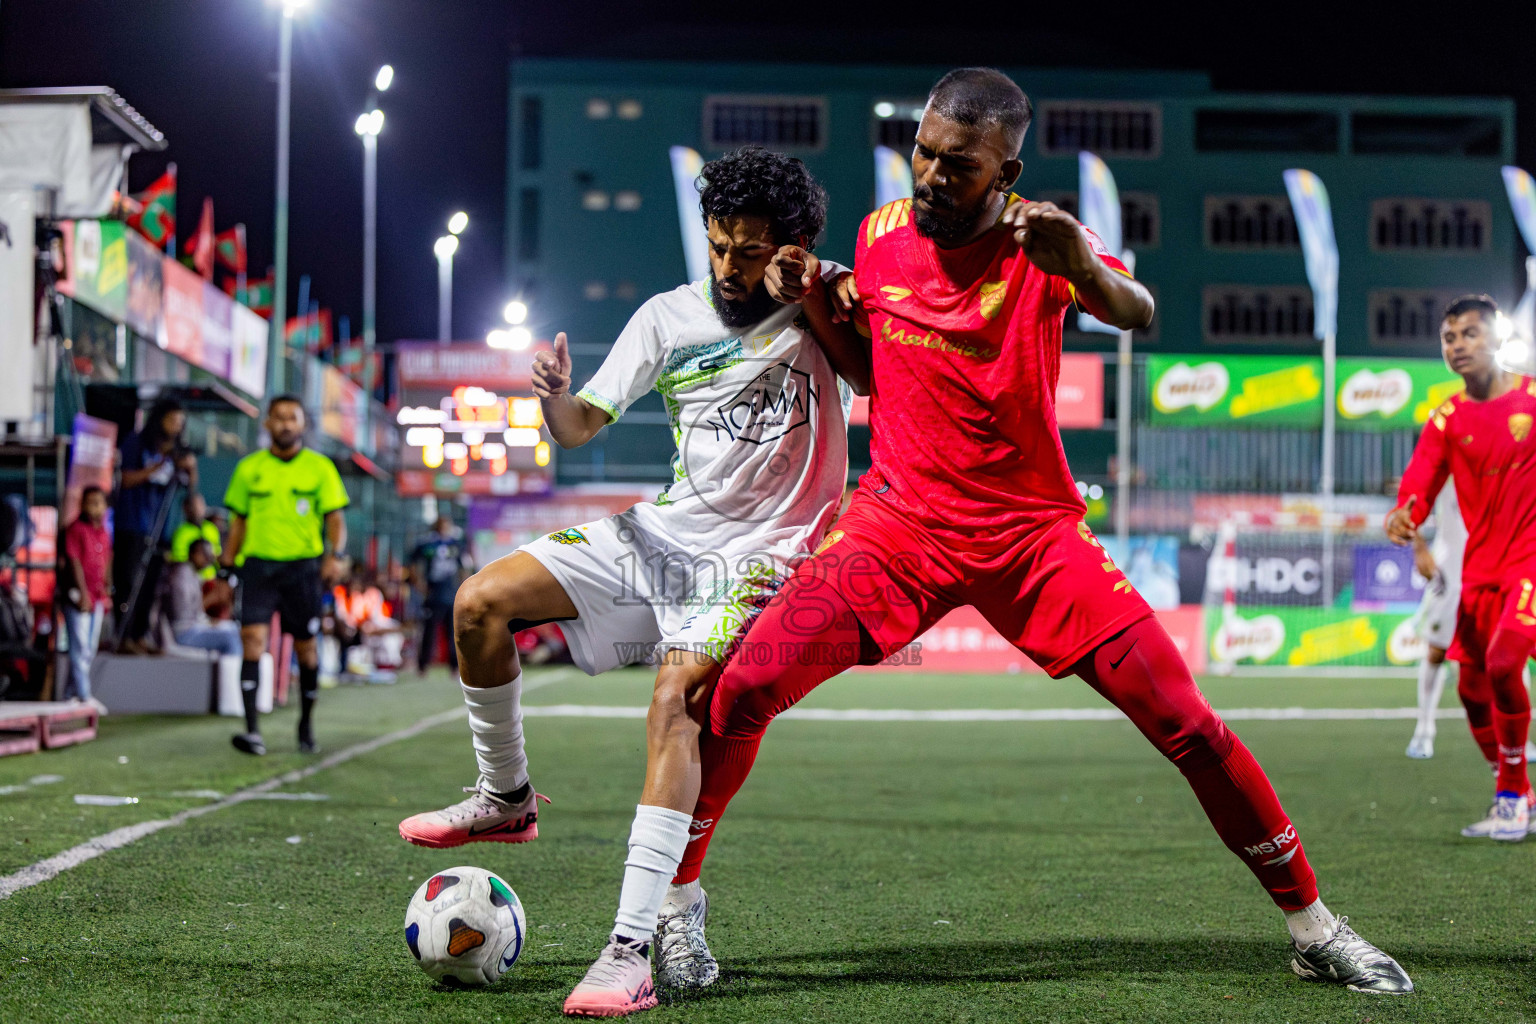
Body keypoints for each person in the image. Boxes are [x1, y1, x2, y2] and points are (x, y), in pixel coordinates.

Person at [562, 69, 1413, 1012]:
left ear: (1007, 168)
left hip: (1030, 539)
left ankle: (1314, 928)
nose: (929, 175)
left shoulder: (1044, 241)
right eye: (923, 152)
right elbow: (869, 372)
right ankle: (679, 905)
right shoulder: (881, 236)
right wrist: (820, 302)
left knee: (1186, 721)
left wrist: (1082, 268)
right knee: (742, 689)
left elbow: (1139, 312)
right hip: (896, 529)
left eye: (956, 165)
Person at [393, 147, 864, 1017]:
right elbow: (577, 428)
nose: (729, 267)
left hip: (761, 550)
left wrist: (808, 297)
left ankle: (627, 951)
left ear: (791, 245)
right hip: (666, 530)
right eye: (720, 245)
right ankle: (506, 796)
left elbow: (874, 378)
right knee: (479, 604)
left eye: (750, 250)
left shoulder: (828, 296)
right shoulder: (668, 316)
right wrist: (550, 396)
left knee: (674, 702)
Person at [1386, 294, 1536, 841]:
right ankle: (1516, 791)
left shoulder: (1532, 398)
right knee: (1471, 686)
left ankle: (1512, 799)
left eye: (1470, 334)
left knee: (1502, 665)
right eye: (1449, 338)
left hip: (1530, 564)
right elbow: (1420, 480)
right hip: (1481, 568)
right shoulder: (1447, 418)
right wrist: (1406, 515)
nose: (1458, 346)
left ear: (1497, 337)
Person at [221, 395, 349, 756]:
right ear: (267, 424)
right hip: (258, 568)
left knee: (307, 650)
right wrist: (226, 564)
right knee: (252, 642)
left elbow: (335, 519)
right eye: (278, 418)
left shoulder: (320, 468)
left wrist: (334, 556)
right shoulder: (249, 468)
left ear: (302, 424)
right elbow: (238, 522)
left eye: (292, 417)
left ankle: (305, 724)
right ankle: (252, 732)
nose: (285, 424)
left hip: (303, 569)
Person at [114, 397, 197, 649]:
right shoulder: (136, 442)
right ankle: (123, 635)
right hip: (132, 525)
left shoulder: (177, 451)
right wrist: (158, 466)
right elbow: (124, 479)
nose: (176, 426)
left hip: (160, 528)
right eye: (172, 420)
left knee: (151, 585)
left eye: (180, 422)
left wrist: (190, 469)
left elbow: (190, 495)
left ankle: (140, 634)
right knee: (129, 582)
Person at [1405, 484, 1464, 759]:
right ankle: (1424, 730)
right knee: (1436, 651)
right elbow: (1416, 491)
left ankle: (1517, 741)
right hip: (1450, 568)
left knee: (1511, 652)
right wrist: (1420, 548)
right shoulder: (1449, 445)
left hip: (1499, 565)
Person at [60, 485, 111, 705]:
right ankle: (83, 694)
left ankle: (70, 694)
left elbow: (107, 559)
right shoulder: (75, 529)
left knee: (89, 648)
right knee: (79, 647)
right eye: (91, 502)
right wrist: (83, 594)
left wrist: (107, 587)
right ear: (82, 505)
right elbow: (74, 562)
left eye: (99, 502)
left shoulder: (104, 531)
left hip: (97, 597)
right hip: (78, 597)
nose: (95, 507)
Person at [410, 515, 470, 675]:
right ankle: (423, 665)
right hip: (433, 595)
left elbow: (464, 566)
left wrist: (462, 586)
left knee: (453, 633)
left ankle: (454, 666)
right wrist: (419, 584)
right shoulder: (428, 544)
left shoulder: (455, 544)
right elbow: (413, 563)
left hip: (451, 595)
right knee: (429, 632)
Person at [162, 539, 242, 657]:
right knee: (229, 638)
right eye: (206, 555)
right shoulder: (181, 575)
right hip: (183, 632)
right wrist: (205, 621)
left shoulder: (192, 574)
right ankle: (230, 675)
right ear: (196, 553)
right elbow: (182, 613)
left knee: (234, 629)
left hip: (193, 626)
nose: (209, 561)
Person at [168, 495, 222, 582]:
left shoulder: (212, 529)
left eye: (201, 505)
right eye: (194, 506)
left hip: (210, 580)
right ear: (186, 509)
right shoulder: (181, 533)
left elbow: (217, 556)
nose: (198, 509)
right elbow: (179, 561)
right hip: (188, 580)